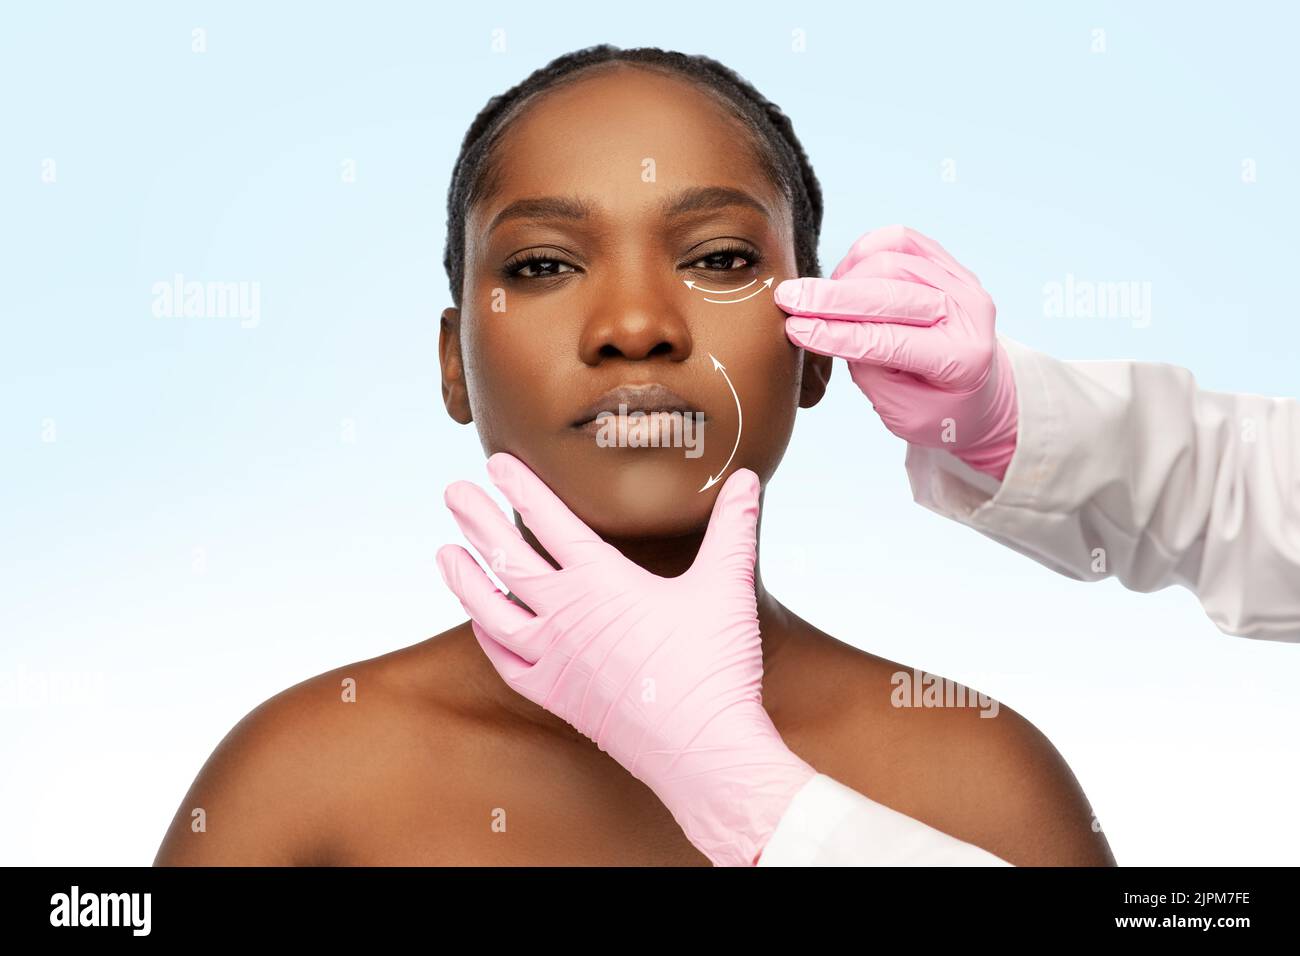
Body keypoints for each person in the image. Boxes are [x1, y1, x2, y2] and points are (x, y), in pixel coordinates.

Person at [154, 46, 1113, 867]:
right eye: (542, 266)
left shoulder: (982, 781)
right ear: (455, 365)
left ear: (819, 345)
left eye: (721, 259)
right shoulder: (301, 785)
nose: (635, 327)